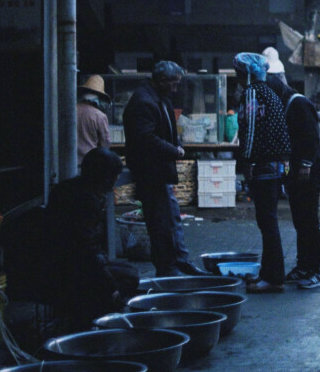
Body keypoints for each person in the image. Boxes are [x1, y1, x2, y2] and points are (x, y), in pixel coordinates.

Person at [123, 60, 208, 277]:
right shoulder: (144, 101)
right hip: (151, 172)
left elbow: (168, 130)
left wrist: (176, 144)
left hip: (161, 171)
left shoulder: (161, 99)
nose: (176, 87)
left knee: (171, 219)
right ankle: (167, 268)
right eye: (174, 83)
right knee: (160, 223)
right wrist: (173, 150)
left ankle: (180, 261)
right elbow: (145, 138)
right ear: (161, 80)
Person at [43, 148, 139, 325]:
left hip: (58, 261)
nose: (117, 180)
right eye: (115, 175)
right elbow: (87, 250)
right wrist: (110, 288)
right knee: (129, 277)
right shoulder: (86, 201)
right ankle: (93, 317)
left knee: (127, 270)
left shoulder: (69, 188)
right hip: (67, 268)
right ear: (106, 177)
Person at [235, 53, 291, 293]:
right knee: (269, 221)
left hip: (262, 166)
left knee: (267, 222)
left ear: (245, 73)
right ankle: (269, 273)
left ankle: (273, 276)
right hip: (274, 165)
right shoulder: (271, 93)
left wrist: (247, 162)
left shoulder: (252, 93)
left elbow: (250, 132)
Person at [267, 74, 320, 290]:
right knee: (300, 222)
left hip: (309, 172)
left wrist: (306, 164)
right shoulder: (286, 106)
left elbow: (311, 138)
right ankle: (303, 266)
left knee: (309, 222)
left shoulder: (299, 103)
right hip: (297, 172)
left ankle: (314, 271)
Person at [76, 74, 111, 165]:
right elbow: (105, 144)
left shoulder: (70, 112)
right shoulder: (100, 116)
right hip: (90, 163)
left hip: (69, 163)